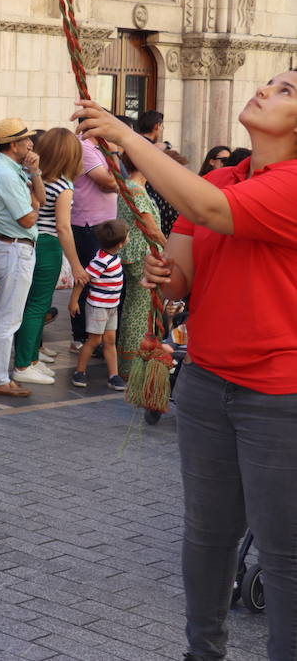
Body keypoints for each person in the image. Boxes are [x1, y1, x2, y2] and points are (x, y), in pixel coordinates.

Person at [77, 72, 297, 661]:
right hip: (204, 382)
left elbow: (207, 207)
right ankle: (202, 652)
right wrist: (163, 276)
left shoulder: (285, 185)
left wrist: (123, 134)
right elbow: (181, 279)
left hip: (279, 394)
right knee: (208, 534)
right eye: (271, 82)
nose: (266, 90)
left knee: (282, 551)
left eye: (287, 91)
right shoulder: (223, 179)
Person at [0, 118, 46, 397]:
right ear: (14, 144)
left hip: (9, 247)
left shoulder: (10, 168)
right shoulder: (6, 173)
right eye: (26, 139)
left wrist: (36, 173)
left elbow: (39, 197)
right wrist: (35, 205)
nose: (31, 143)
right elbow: (29, 217)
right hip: (14, 248)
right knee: (7, 318)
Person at [12, 128, 88, 376]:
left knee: (29, 304)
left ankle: (31, 359)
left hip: (27, 242)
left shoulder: (30, 176)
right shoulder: (63, 186)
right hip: (48, 247)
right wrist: (77, 265)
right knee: (38, 305)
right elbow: (64, 228)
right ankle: (25, 363)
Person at [69, 129, 119, 348]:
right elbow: (110, 182)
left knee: (101, 280)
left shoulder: (99, 148)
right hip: (89, 223)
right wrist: (115, 155)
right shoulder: (85, 148)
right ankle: (82, 336)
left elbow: (115, 180)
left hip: (103, 220)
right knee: (88, 280)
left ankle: (94, 335)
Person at [114, 149, 162, 369]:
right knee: (140, 312)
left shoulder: (132, 187)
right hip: (143, 255)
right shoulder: (135, 189)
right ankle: (133, 364)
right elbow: (150, 226)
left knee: (137, 308)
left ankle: (131, 362)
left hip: (139, 254)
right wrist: (170, 248)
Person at [68, 219, 128, 392]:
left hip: (111, 307)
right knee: (94, 341)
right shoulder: (101, 261)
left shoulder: (111, 257)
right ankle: (79, 372)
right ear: (121, 243)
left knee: (109, 341)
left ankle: (113, 375)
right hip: (99, 307)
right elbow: (83, 280)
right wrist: (73, 301)